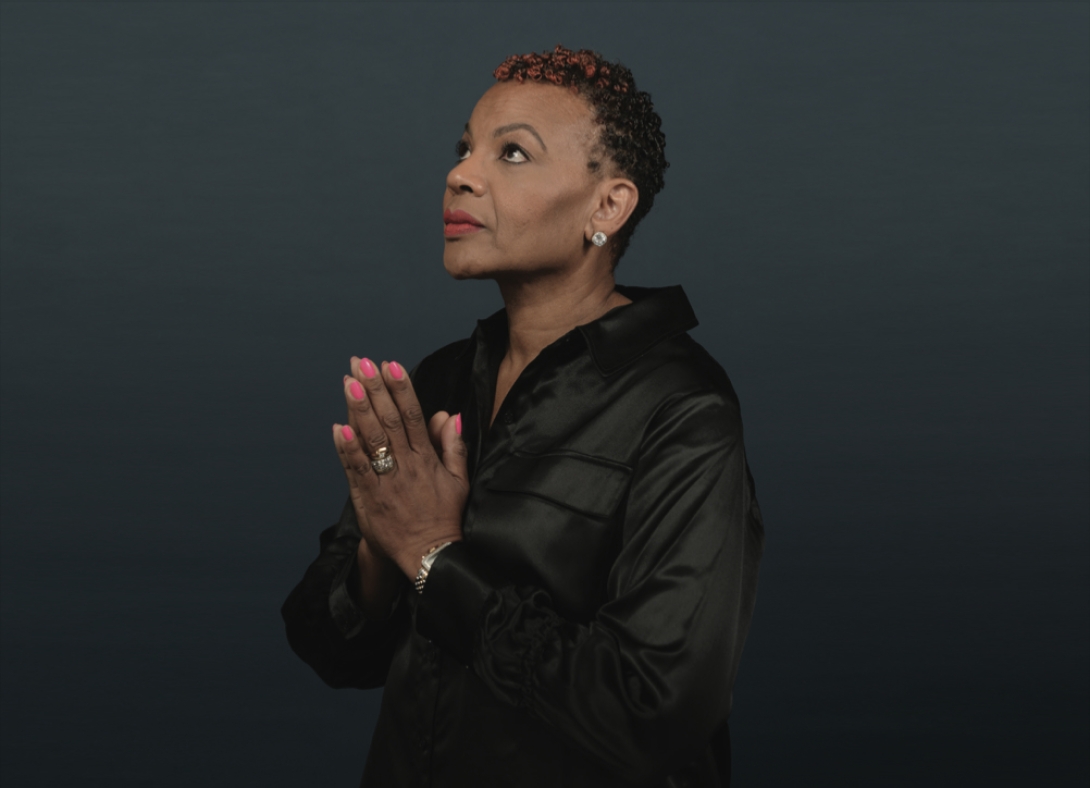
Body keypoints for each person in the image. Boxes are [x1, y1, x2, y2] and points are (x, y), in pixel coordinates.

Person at [281, 45, 764, 787]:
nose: (460, 174)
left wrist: (434, 555)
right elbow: (329, 649)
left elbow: (653, 711)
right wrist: (383, 549)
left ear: (608, 206)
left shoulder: (683, 409)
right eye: (465, 148)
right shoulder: (441, 379)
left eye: (511, 153)